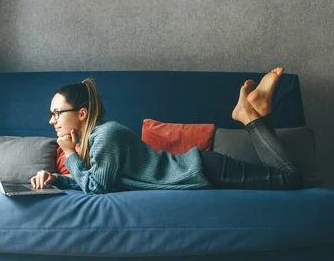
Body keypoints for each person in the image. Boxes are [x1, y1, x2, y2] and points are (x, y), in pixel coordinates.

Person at [30, 67, 303, 194]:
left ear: (81, 113)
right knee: (284, 178)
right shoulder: (95, 138)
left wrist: (70, 155)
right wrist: (56, 178)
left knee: (291, 179)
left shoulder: (106, 135)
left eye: (57, 113)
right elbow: (99, 179)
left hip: (202, 170)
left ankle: (251, 117)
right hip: (201, 169)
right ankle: (259, 110)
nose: (52, 121)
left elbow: (96, 187)